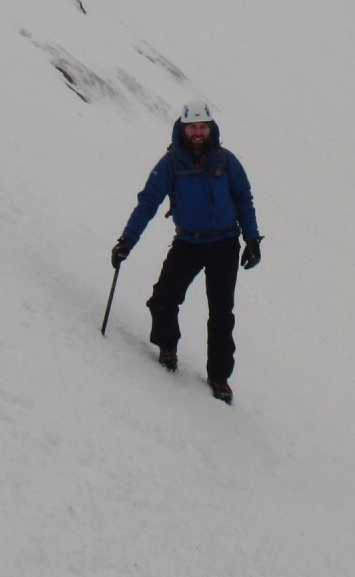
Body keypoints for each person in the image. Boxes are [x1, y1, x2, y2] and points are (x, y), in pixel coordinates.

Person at [111, 101, 261, 403]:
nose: (197, 132)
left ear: (211, 128)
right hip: (188, 243)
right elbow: (148, 202)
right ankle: (168, 348)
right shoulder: (171, 164)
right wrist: (127, 240)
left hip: (224, 244)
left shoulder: (226, 161)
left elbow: (243, 199)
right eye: (192, 127)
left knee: (221, 313)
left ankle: (219, 377)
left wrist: (252, 240)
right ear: (183, 128)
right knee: (163, 299)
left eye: (202, 127)